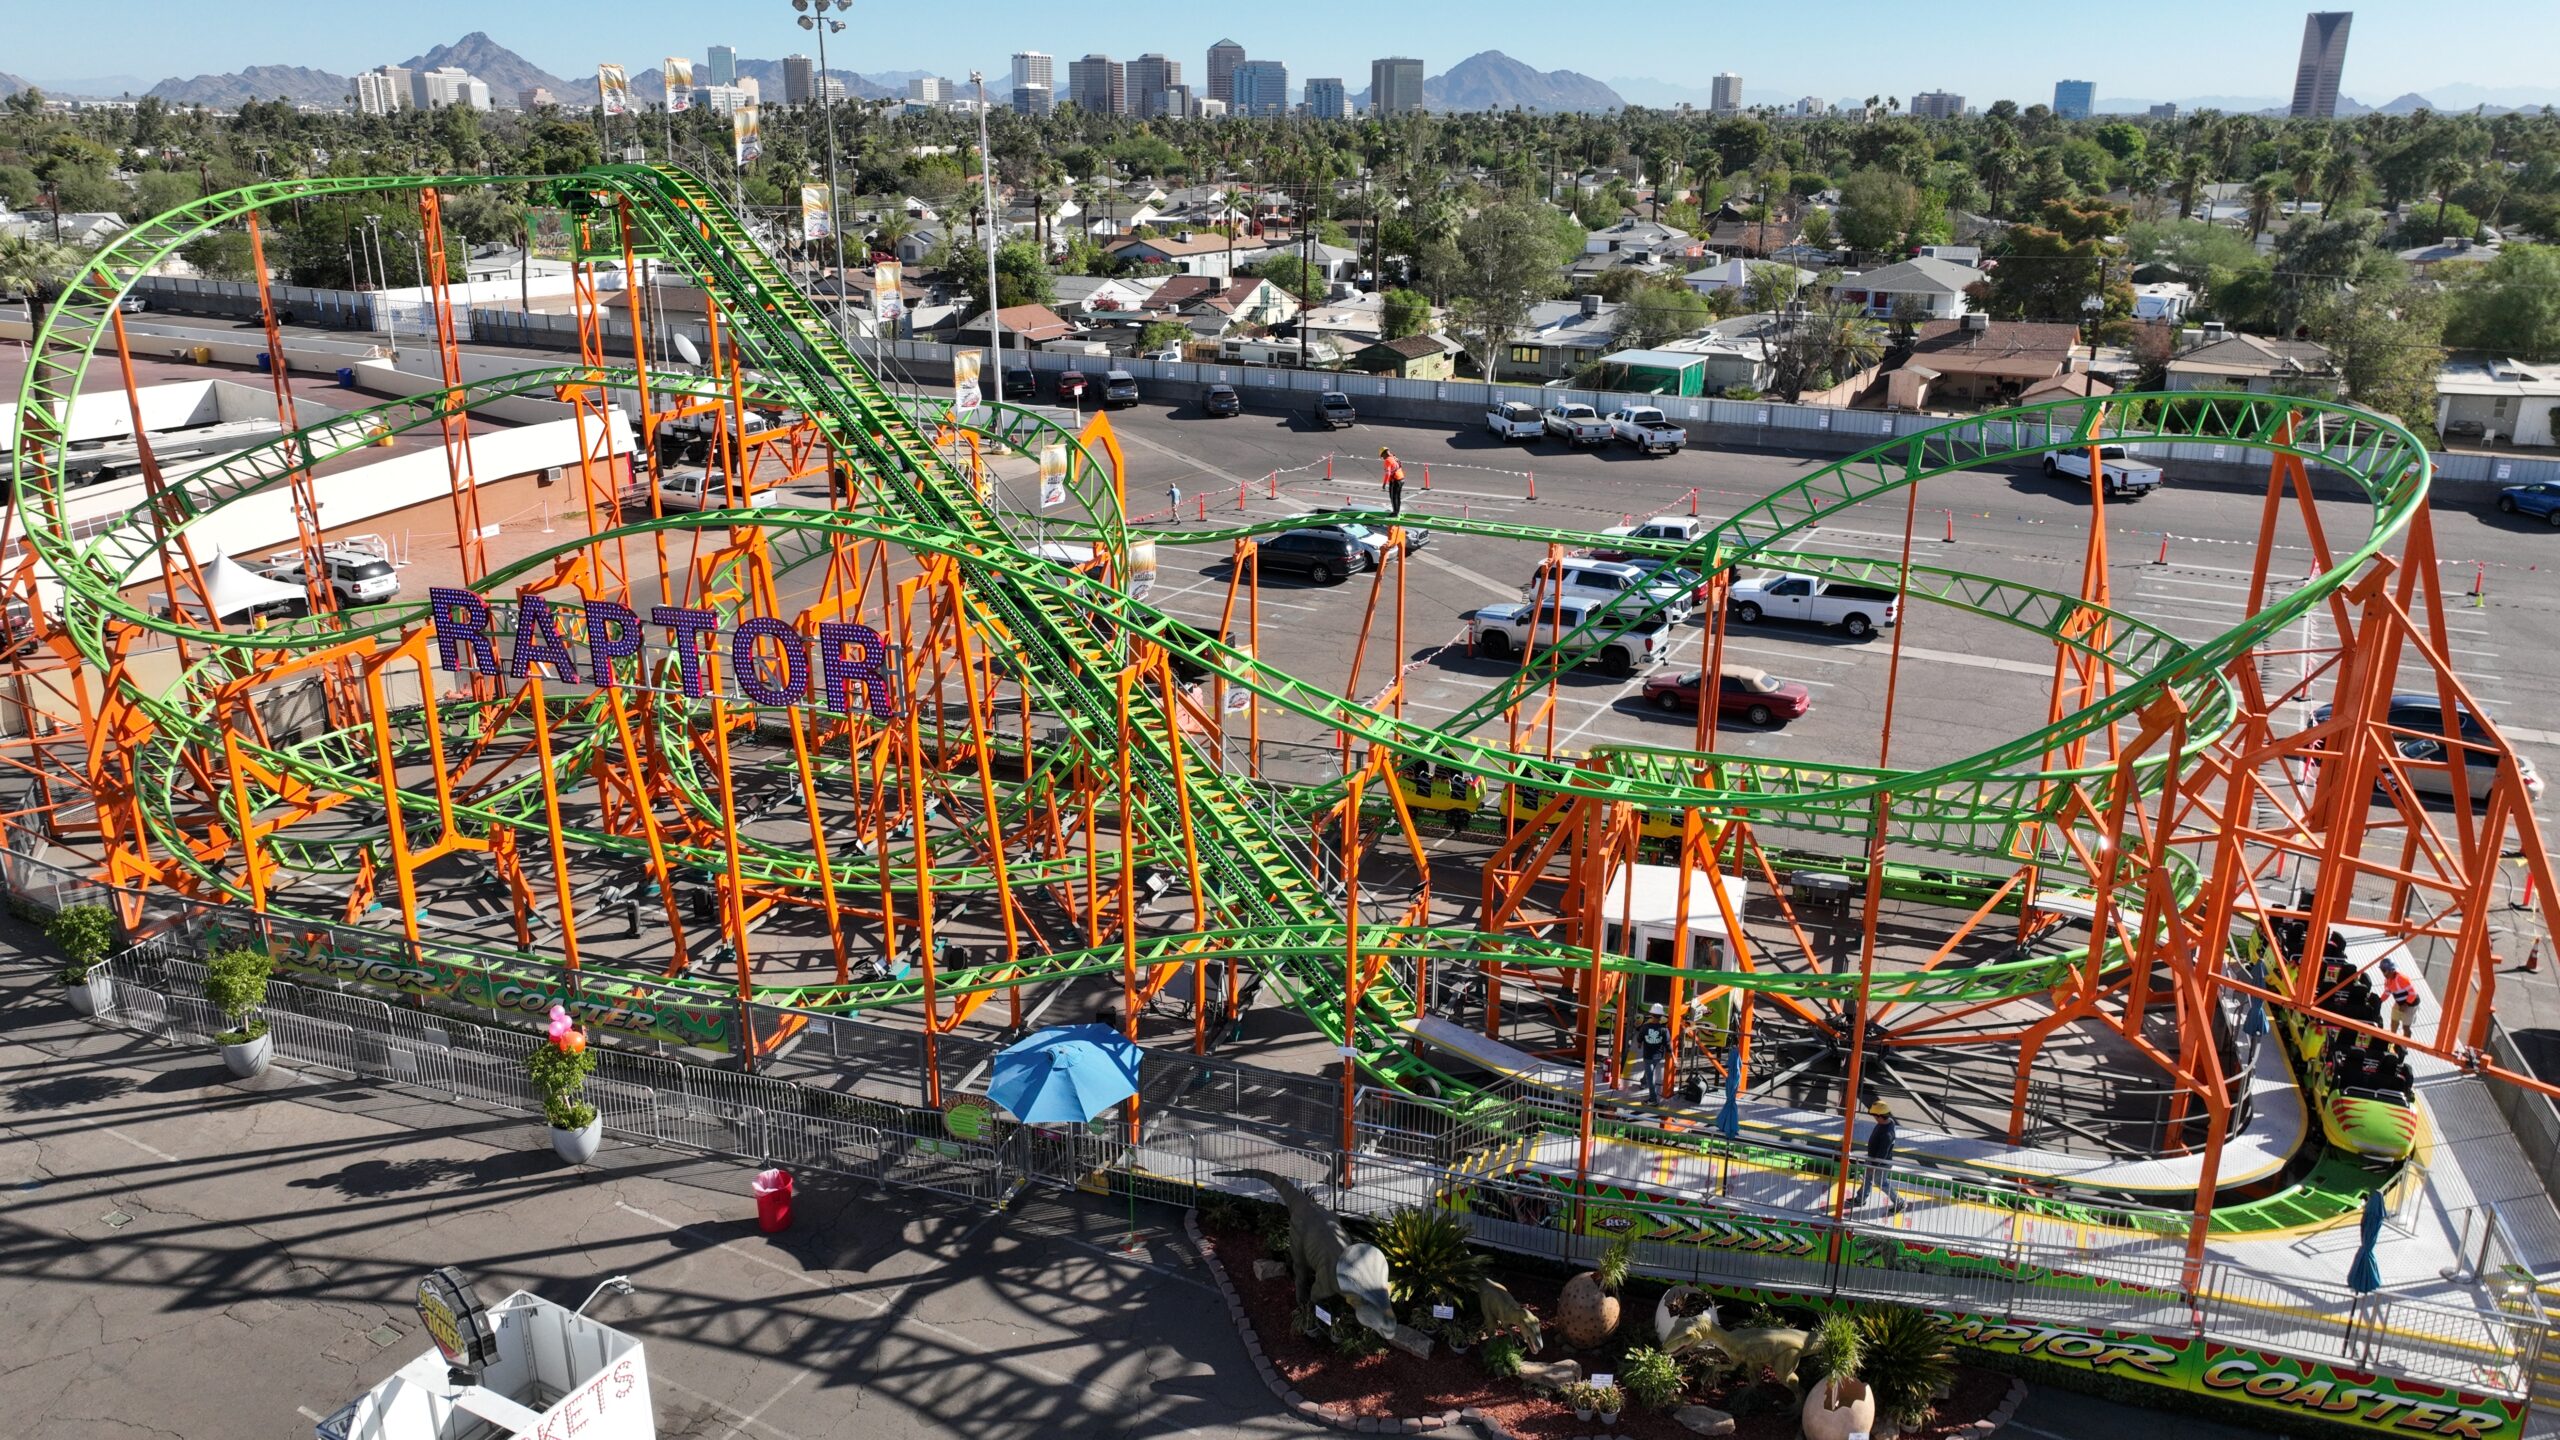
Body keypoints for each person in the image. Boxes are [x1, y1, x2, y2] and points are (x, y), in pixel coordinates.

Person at [1849, 1098, 1905, 1215]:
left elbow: (1882, 1153)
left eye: (1875, 1116)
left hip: (1880, 1162)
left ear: (1880, 1116)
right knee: (1867, 1179)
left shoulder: (1887, 1134)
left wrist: (1873, 1166)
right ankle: (1860, 1199)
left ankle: (1899, 1202)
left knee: (1881, 1183)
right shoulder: (1888, 1122)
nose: (1874, 1118)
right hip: (1873, 1159)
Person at [1633, 1002, 1672, 1098]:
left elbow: (1639, 1038)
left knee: (1650, 1076)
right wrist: (1672, 1056)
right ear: (1661, 1016)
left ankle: (1653, 1098)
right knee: (1650, 1070)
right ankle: (1643, 1081)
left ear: (1651, 1015)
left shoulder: (1645, 1027)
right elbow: (1667, 1044)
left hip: (1648, 1056)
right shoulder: (1664, 1029)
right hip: (1658, 1056)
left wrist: (1639, 1044)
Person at [2382, 958, 2421, 1037]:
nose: (2383, 973)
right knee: (2394, 1022)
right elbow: (2386, 993)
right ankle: (2392, 1040)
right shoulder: (2387, 981)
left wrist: (2405, 1005)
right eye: (2382, 970)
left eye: (2384, 970)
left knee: (2405, 1027)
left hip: (2410, 1004)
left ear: (2391, 970)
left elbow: (2412, 993)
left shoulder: (2402, 979)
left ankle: (2404, 1046)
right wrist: (2379, 1001)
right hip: (2400, 1003)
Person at [1379, 447, 1407, 516]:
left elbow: (1388, 473)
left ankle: (1395, 513)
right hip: (1401, 478)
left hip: (1395, 480)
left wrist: (1384, 484)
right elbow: (1400, 465)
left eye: (1382, 456)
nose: (1383, 458)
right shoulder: (1394, 457)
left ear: (1384, 454)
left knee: (1393, 497)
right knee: (1398, 496)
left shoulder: (1387, 460)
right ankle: (1397, 511)